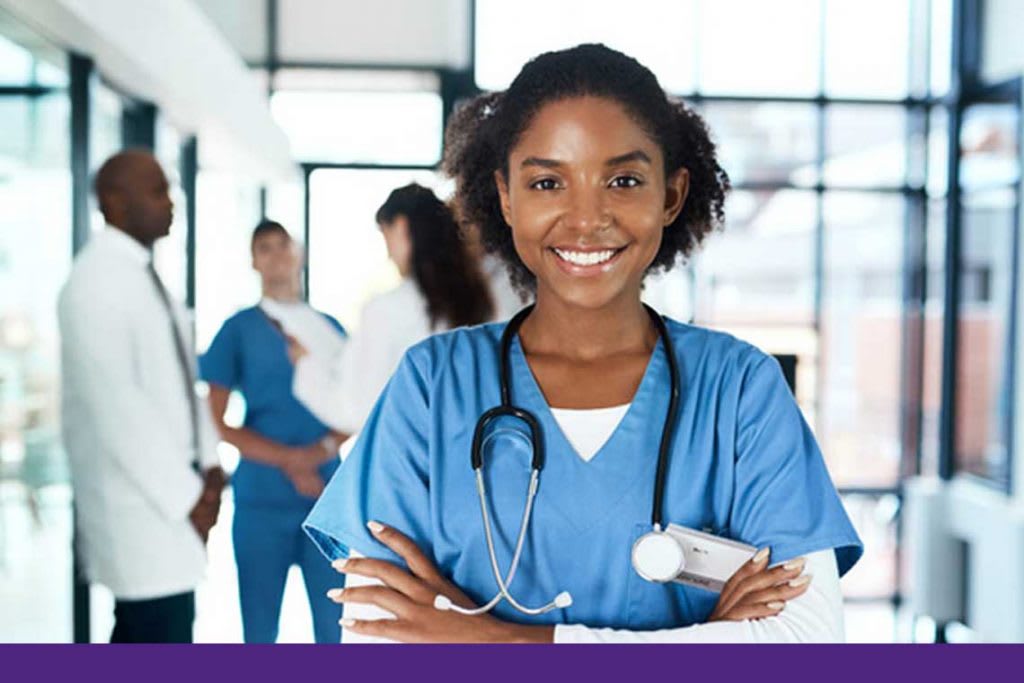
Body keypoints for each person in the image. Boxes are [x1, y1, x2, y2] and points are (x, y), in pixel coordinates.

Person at [302, 44, 864, 643]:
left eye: (623, 180)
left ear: (670, 195)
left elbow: (804, 641)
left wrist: (494, 641)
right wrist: (712, 639)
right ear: (506, 198)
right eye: (548, 182)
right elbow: (379, 637)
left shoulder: (740, 388)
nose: (586, 217)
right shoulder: (431, 384)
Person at [58, 149, 225, 643]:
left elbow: (179, 380)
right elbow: (119, 412)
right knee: (152, 634)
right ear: (114, 202)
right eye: (157, 191)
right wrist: (190, 498)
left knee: (167, 630)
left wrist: (211, 463)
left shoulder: (142, 275)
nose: (171, 203)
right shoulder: (93, 283)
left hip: (173, 504)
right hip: (144, 508)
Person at [199, 220, 347, 643]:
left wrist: (316, 454)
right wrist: (290, 461)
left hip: (323, 497)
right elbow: (217, 419)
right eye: (265, 248)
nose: (277, 254)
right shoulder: (238, 330)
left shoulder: (330, 329)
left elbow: (358, 408)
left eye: (284, 245)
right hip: (261, 501)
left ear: (298, 252)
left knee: (332, 629)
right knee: (260, 633)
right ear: (252, 261)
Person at [291, 183, 494, 435]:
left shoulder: (387, 309)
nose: (388, 254)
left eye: (385, 236)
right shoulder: (480, 301)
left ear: (400, 227)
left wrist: (306, 366)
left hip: (410, 460)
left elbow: (356, 411)